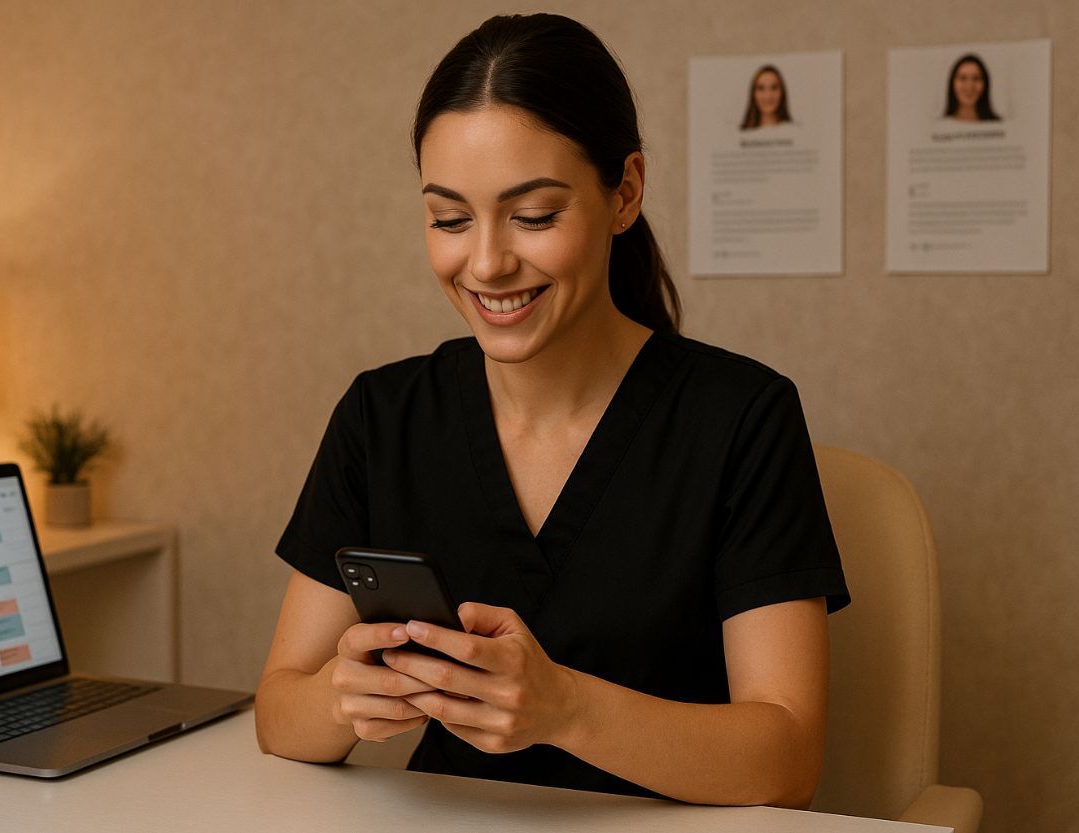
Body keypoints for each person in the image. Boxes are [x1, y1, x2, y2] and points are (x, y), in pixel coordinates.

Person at [255, 13, 849, 809]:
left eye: (534, 215)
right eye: (450, 218)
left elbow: (787, 761)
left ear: (625, 192)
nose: (489, 262)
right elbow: (277, 713)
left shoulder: (742, 418)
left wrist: (563, 708)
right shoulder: (381, 416)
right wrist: (342, 698)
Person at [943, 53, 1000, 122]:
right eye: (963, 78)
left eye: (976, 78)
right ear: (952, 83)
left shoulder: (998, 124)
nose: (969, 86)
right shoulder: (940, 127)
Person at [739, 64, 792, 130]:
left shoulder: (795, 132)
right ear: (753, 94)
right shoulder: (740, 135)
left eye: (774, 88)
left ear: (782, 92)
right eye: (761, 88)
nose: (768, 95)